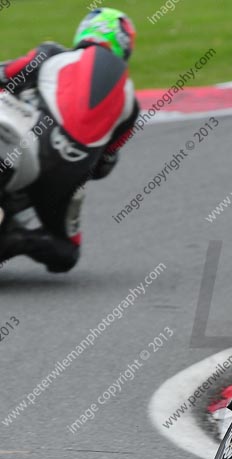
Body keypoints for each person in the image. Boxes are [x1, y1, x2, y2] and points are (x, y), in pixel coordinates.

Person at [0, 8, 138, 272]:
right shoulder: (131, 107)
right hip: (63, 182)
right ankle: (17, 236)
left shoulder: (53, 55)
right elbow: (103, 167)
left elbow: (5, 73)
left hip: (27, 145)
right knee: (65, 253)